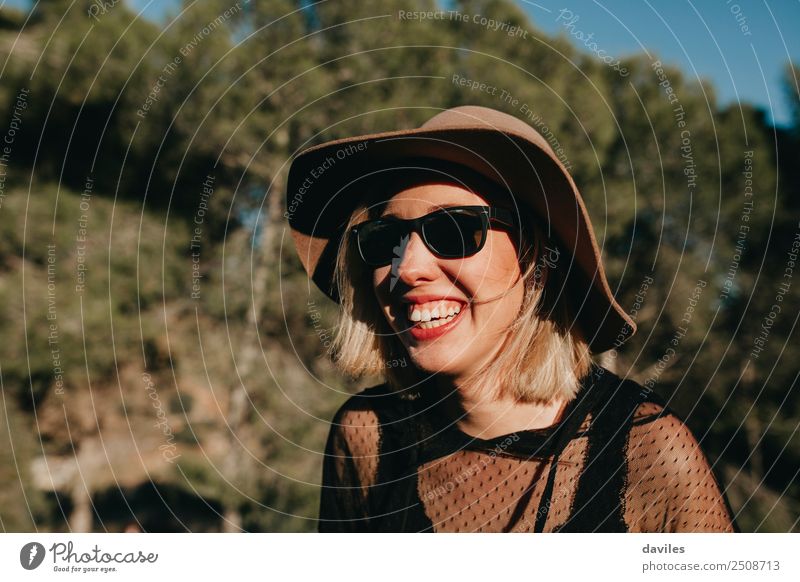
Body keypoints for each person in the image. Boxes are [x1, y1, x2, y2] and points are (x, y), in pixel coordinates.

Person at [286, 105, 738, 533]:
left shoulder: (645, 453)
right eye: (385, 238)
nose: (407, 269)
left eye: (455, 230)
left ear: (533, 258)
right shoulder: (367, 437)